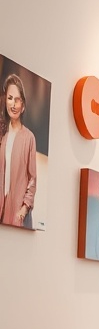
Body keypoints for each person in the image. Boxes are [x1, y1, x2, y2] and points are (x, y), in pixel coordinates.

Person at [0, 74, 37, 228]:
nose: (13, 104)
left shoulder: (29, 138)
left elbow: (32, 179)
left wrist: (23, 209)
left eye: (17, 99)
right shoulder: (3, 136)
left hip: (18, 215)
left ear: (23, 105)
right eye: (10, 98)